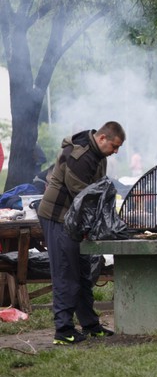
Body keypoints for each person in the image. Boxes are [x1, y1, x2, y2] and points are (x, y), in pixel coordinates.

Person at [37, 121, 125, 345]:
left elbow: (98, 188)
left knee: (83, 273)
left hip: (75, 221)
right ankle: (63, 329)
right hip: (58, 217)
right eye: (114, 146)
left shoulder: (99, 156)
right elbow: (83, 196)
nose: (116, 152)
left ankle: (90, 325)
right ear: (102, 138)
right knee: (66, 273)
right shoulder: (79, 156)